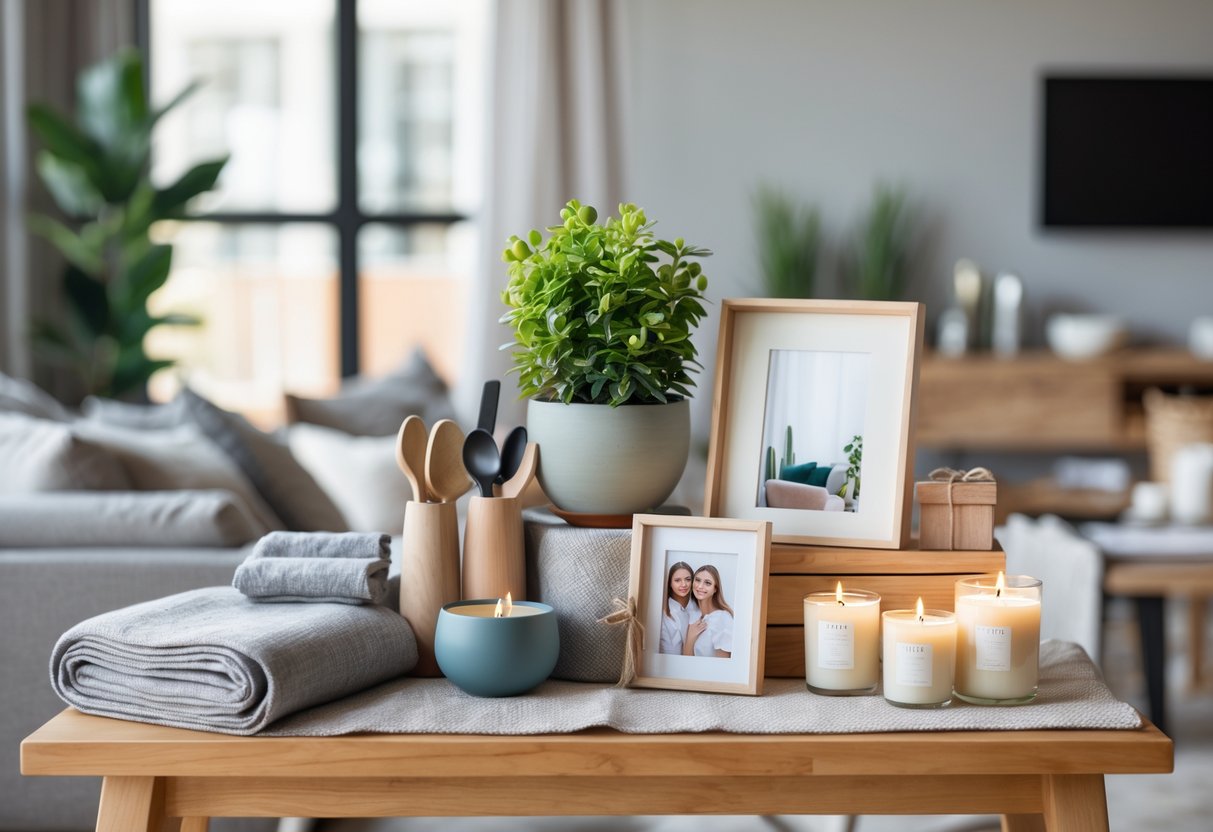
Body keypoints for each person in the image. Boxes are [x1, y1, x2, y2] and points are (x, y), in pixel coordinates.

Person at [683, 564, 734, 658]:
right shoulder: (692, 616)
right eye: (697, 580)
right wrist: (690, 639)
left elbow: (723, 666)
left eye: (707, 583)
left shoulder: (723, 618)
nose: (700, 586)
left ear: (715, 589)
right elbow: (686, 662)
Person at [659, 561, 701, 654]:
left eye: (688, 579)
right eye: (677, 580)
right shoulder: (665, 614)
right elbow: (672, 654)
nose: (684, 584)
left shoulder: (698, 607)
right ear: (670, 583)